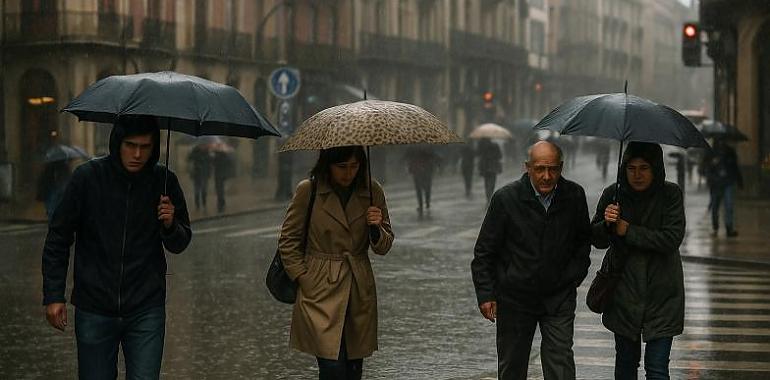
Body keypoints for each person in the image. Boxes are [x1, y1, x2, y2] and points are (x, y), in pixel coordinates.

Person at [41, 116, 192, 380]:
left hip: (146, 308)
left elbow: (180, 243)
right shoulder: (87, 178)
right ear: (116, 143)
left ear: (154, 146)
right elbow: (58, 237)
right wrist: (54, 295)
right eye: (130, 145)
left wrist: (170, 223)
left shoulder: (164, 182)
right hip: (94, 306)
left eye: (145, 147)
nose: (137, 154)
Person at [471, 140, 591, 380]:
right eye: (540, 169)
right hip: (515, 298)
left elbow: (582, 245)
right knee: (512, 366)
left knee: (561, 364)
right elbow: (484, 252)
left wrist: (570, 279)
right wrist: (486, 294)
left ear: (561, 167)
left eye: (553, 169)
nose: (546, 176)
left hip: (558, 298)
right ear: (528, 167)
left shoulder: (574, 195)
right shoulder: (506, 198)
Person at [278, 145, 394, 380]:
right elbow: (288, 240)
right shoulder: (308, 190)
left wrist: (375, 227)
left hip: (357, 286)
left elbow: (384, 246)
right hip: (319, 285)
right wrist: (304, 278)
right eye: (341, 167)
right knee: (331, 367)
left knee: (353, 368)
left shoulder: (372, 191)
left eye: (354, 166)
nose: (348, 173)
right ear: (327, 164)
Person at [591, 142, 685, 380]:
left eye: (644, 167)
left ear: (655, 169)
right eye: (631, 168)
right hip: (623, 293)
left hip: (662, 294)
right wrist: (607, 224)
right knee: (625, 364)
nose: (637, 174)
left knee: (657, 368)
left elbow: (671, 238)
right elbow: (596, 239)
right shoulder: (614, 194)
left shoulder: (670, 194)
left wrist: (627, 230)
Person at [704, 139, 742, 237]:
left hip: (727, 183)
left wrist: (739, 180)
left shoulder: (730, 152)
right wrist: (711, 177)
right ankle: (715, 227)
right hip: (716, 184)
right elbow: (706, 167)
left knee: (728, 206)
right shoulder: (711, 152)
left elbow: (735, 167)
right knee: (715, 206)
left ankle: (729, 228)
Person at [404, 146, 440, 216]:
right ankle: (426, 203)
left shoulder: (413, 147)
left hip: (420, 170)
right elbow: (433, 156)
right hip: (424, 170)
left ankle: (422, 204)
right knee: (426, 188)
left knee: (421, 189)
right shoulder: (427, 146)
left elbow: (406, 156)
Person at [187, 143, 212, 211]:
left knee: (204, 191)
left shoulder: (207, 152)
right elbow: (189, 158)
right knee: (197, 191)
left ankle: (204, 205)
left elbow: (209, 164)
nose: (203, 146)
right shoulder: (195, 151)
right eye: (202, 145)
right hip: (197, 174)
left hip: (204, 174)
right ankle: (197, 206)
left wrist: (209, 173)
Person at [477, 137, 503, 203]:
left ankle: (488, 198)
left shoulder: (481, 146)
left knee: (486, 183)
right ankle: (490, 197)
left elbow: (478, 154)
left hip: (485, 166)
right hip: (493, 166)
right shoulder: (495, 145)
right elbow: (500, 156)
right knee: (492, 183)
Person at [212, 144, 234, 213]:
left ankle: (220, 203)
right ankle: (221, 202)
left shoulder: (217, 156)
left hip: (219, 175)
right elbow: (230, 163)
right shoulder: (225, 155)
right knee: (220, 189)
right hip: (222, 175)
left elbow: (213, 163)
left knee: (219, 189)